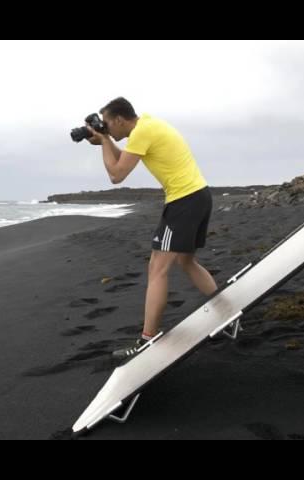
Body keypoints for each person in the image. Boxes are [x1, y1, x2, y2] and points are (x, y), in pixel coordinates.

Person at [85, 97, 218, 358]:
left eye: (109, 124)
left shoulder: (142, 131)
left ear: (120, 120)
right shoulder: (146, 124)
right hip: (198, 195)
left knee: (157, 268)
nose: (108, 129)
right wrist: (106, 140)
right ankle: (226, 306)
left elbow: (116, 175)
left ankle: (147, 339)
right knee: (186, 261)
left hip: (184, 201)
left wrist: (103, 142)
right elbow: (123, 158)